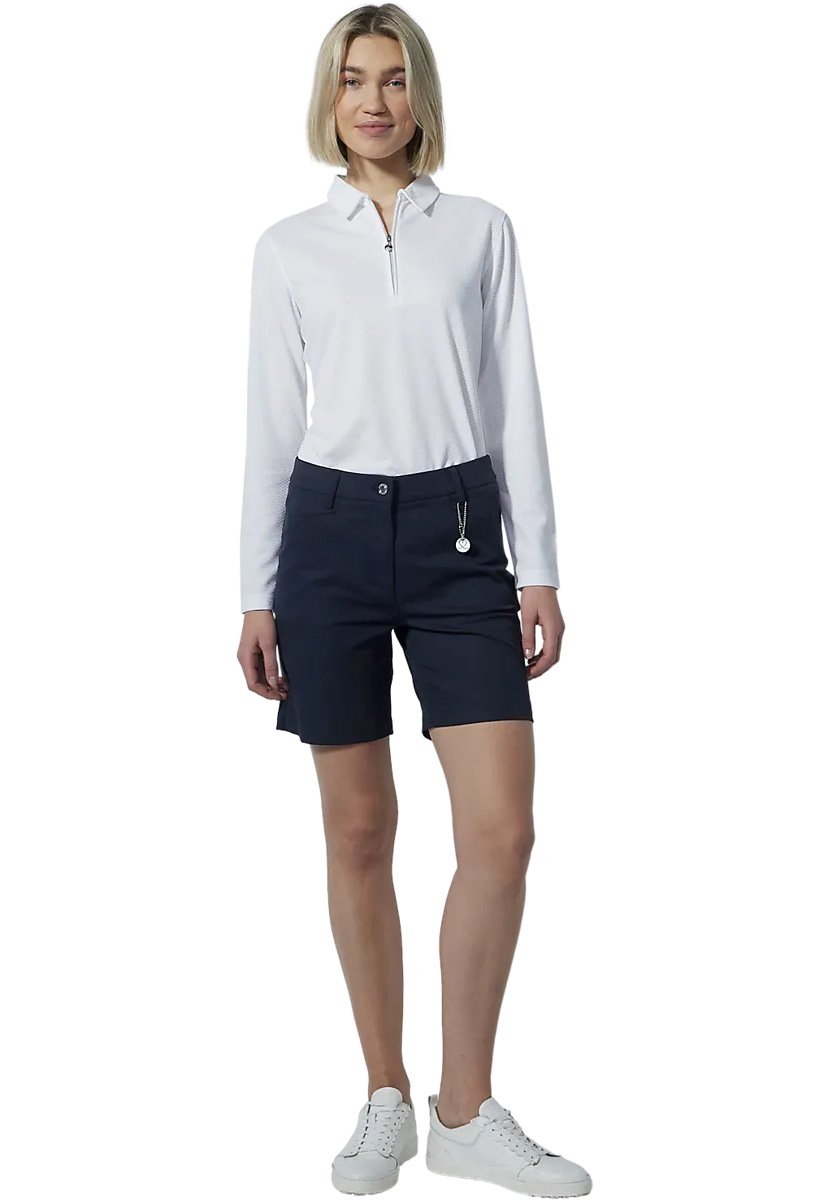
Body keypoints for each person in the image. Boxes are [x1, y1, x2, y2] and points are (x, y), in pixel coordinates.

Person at [237, 5, 587, 1196]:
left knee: (497, 827)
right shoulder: (289, 246)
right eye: (354, 81)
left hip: (461, 531)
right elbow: (270, 427)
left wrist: (538, 567)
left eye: (393, 80)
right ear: (327, 100)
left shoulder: (479, 228)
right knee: (356, 829)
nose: (374, 102)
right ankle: (385, 1098)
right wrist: (256, 593)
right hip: (327, 535)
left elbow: (515, 398)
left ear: (421, 95)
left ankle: (466, 1107)